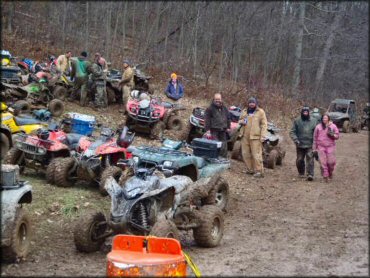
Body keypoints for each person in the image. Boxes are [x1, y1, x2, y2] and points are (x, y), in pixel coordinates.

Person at [238, 97, 267, 178]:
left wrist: (263, 136)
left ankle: (259, 171)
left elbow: (264, 125)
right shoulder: (244, 111)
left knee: (256, 154)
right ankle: (250, 169)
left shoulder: (260, 112)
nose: (251, 104)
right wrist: (241, 122)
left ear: (256, 103)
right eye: (250, 102)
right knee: (245, 154)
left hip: (255, 137)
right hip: (245, 136)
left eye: (253, 102)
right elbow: (239, 120)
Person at [290, 106, 318, 181]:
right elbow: (292, 132)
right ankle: (301, 172)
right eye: (304, 112)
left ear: (309, 113)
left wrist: (317, 142)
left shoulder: (314, 121)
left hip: (310, 144)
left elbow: (317, 132)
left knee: (310, 159)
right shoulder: (297, 121)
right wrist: (296, 139)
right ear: (302, 112)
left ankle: (310, 174)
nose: (305, 113)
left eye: (306, 112)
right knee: (299, 160)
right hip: (300, 144)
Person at [313, 114, 339, 183]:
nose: (325, 119)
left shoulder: (333, 126)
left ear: (328, 119)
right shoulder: (318, 127)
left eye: (326, 118)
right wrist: (314, 149)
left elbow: (337, 136)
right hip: (320, 147)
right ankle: (325, 176)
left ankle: (330, 173)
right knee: (323, 163)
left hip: (330, 146)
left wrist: (332, 134)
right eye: (323, 118)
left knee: (331, 162)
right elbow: (315, 138)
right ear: (321, 119)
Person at [204, 93, 230, 158]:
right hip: (214, 131)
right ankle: (214, 159)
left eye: (219, 99)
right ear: (214, 99)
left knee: (224, 147)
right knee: (215, 145)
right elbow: (207, 120)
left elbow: (228, 118)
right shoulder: (210, 109)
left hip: (223, 130)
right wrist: (207, 130)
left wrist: (228, 127)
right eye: (216, 99)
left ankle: (223, 159)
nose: (217, 101)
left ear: (221, 99)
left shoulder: (224, 108)